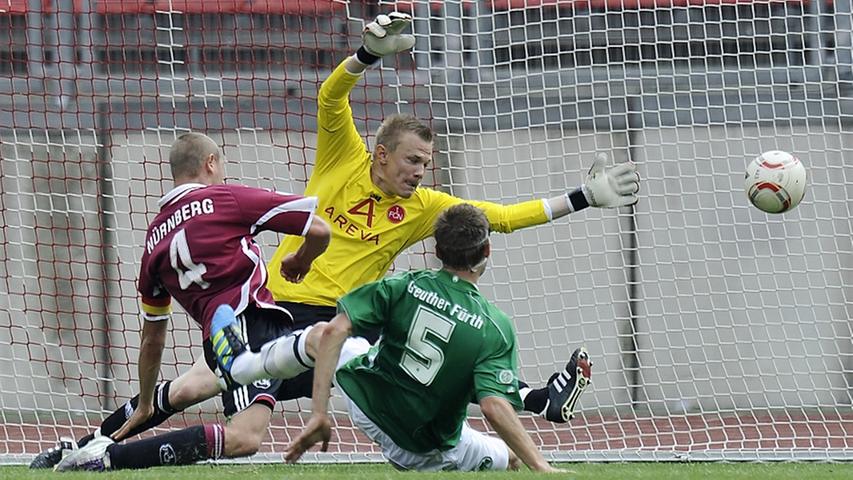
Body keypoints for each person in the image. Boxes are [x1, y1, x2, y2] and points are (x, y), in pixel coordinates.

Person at [32, 12, 637, 469]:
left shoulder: (423, 207)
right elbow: (330, 97)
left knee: (419, 358)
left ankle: (529, 403)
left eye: (427, 163)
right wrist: (365, 56)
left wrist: (582, 198)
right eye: (413, 161)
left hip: (341, 327)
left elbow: (501, 217)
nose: (422, 172)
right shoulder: (343, 158)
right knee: (192, 392)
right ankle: (91, 447)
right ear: (381, 154)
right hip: (272, 313)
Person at [52, 132, 335, 471]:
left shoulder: (154, 242)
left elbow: (152, 338)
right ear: (210, 163)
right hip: (248, 325)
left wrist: (144, 402)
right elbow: (319, 230)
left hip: (217, 339)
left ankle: (84, 446)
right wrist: (301, 261)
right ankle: (105, 460)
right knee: (244, 438)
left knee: (186, 390)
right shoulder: (225, 198)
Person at [285, 204, 590, 472]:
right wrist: (542, 466)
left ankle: (250, 368)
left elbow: (334, 331)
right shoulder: (493, 325)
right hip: (423, 446)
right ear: (487, 251)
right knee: (510, 458)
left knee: (318, 337)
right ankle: (538, 401)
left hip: (367, 403)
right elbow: (493, 406)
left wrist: (319, 413)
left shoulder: (404, 283)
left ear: (437, 250)